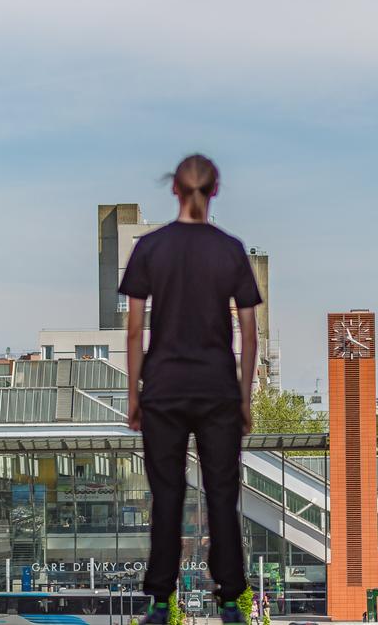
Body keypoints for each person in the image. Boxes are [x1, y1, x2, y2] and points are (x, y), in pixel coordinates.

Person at [123, 154, 262, 625]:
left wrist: (134, 395)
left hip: (162, 387)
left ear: (175, 191)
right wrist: (244, 398)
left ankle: (160, 603)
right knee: (222, 494)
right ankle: (229, 602)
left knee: (167, 495)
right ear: (216, 190)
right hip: (218, 389)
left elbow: (134, 328)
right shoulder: (230, 250)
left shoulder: (150, 249)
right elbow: (249, 332)